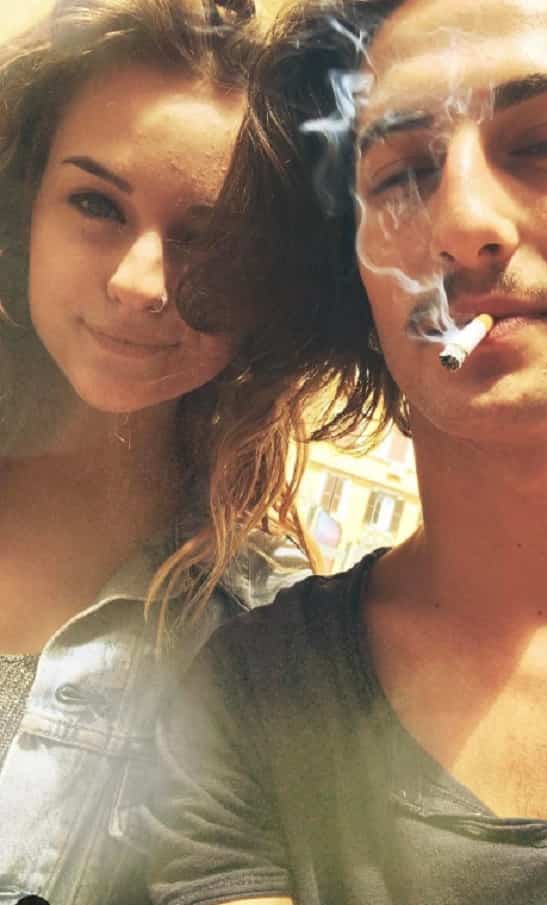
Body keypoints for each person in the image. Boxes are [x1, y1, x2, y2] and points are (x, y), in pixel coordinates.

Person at [145, 0, 547, 902]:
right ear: (360, 281)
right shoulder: (250, 699)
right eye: (404, 174)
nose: (464, 221)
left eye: (544, 146)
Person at [0, 2, 312, 903]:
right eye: (98, 204)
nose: (141, 283)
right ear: (25, 209)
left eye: (209, 242)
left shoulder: (263, 645)